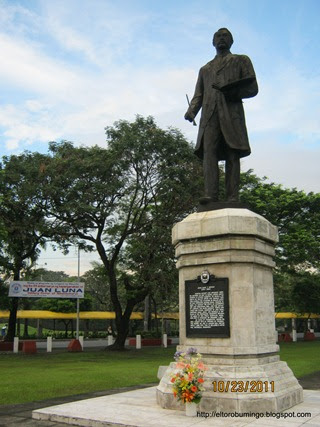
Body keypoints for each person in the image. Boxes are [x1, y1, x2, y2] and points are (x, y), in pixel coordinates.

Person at [185, 28, 258, 206]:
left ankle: (233, 196)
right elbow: (199, 94)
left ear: (231, 41)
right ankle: (210, 195)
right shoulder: (205, 69)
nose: (221, 39)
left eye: (225, 36)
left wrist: (231, 91)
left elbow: (252, 88)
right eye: (218, 36)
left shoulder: (241, 60)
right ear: (213, 42)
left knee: (233, 152)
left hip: (231, 114)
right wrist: (192, 110)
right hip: (209, 116)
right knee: (209, 153)